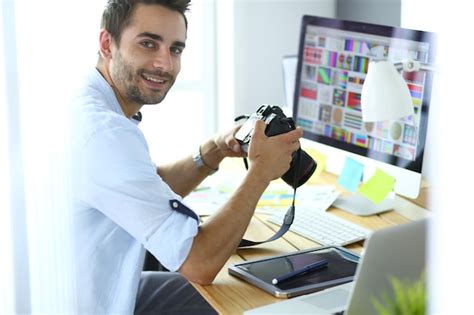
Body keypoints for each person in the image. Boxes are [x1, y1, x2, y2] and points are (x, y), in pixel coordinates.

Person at [72, 0, 303, 313]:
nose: (164, 64)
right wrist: (261, 172)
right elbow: (199, 263)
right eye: (148, 44)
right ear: (106, 43)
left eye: (175, 49)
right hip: (96, 302)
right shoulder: (106, 133)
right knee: (258, 297)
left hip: (93, 283)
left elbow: (150, 187)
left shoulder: (87, 100)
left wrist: (212, 151)